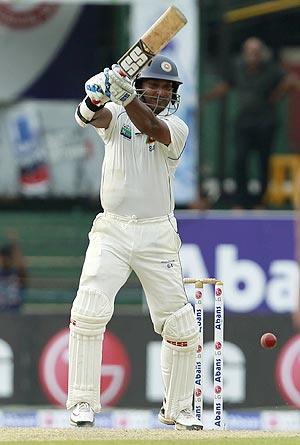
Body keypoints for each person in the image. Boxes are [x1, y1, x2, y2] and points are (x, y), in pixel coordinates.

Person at [66, 55, 202, 430]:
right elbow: (90, 118)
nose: (160, 92)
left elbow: (152, 127)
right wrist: (93, 98)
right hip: (112, 228)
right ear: (141, 85)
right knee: (90, 309)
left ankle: (179, 409)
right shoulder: (118, 112)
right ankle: (82, 401)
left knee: (180, 325)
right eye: (154, 85)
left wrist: (124, 96)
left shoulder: (175, 126)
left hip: (157, 233)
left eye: (167, 88)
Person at [202, 37, 300, 209]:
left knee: (263, 162)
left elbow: (291, 81)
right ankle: (241, 200)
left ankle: (260, 202)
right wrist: (206, 99)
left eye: (256, 52)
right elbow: (226, 85)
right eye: (249, 51)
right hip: (244, 122)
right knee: (240, 160)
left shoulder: (272, 69)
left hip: (265, 123)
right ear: (244, 53)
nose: (252, 55)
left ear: (261, 53)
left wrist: (277, 96)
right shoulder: (238, 67)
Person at [0, 236, 27, 311]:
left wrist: (14, 244)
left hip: (15, 314)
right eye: (3, 257)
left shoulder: (17, 274)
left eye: (8, 257)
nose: (5, 260)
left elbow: (22, 267)